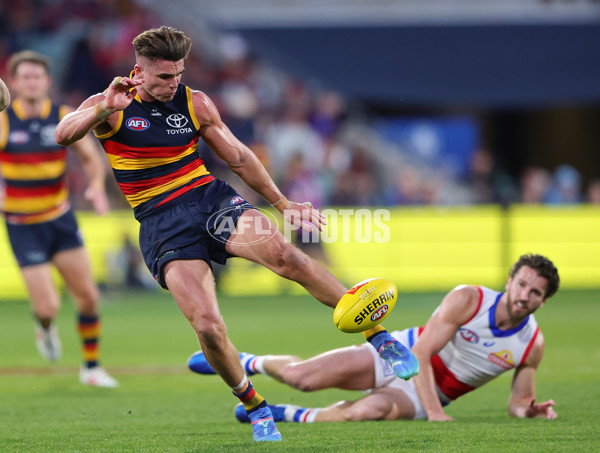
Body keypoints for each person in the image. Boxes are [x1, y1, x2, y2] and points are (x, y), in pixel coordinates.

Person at [54, 26, 417, 442]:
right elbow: (63, 134)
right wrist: (103, 108)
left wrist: (284, 205)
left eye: (178, 74)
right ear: (140, 70)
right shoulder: (112, 104)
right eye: (164, 77)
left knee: (287, 256)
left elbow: (240, 158)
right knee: (208, 325)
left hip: (209, 201)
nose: (174, 84)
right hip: (161, 221)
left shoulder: (196, 103)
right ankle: (254, 405)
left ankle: (379, 336)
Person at [189, 253, 559, 423]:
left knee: (366, 413)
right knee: (301, 378)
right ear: (510, 280)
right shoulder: (471, 298)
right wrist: (435, 414)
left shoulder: (531, 344)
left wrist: (529, 409)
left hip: (429, 392)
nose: (525, 294)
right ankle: (249, 362)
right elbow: (423, 351)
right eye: (522, 283)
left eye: (535, 292)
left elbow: (518, 401)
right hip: (399, 354)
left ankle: (288, 415)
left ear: (544, 301)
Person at [0, 51, 117, 387]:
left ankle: (92, 368)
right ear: (15, 83)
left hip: (60, 218)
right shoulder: (5, 120)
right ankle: (45, 327)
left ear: (47, 82)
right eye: (25, 77)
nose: (32, 82)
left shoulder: (65, 115)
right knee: (49, 308)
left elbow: (91, 156)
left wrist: (95, 186)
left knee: (89, 297)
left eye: (38, 76)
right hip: (23, 225)